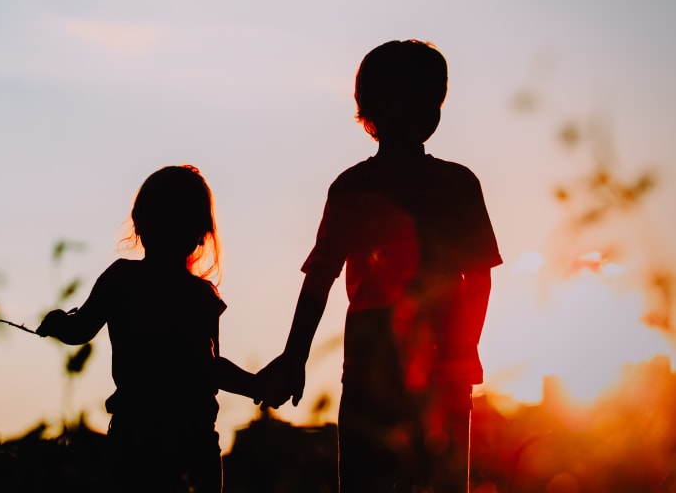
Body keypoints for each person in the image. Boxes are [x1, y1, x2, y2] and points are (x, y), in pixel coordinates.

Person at [257, 40, 502, 493]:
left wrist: (295, 356)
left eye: (430, 99)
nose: (422, 110)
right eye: (415, 99)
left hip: (387, 370)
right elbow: (479, 277)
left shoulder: (357, 186)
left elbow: (320, 278)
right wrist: (464, 346)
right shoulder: (451, 184)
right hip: (413, 370)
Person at [37, 164, 257, 493]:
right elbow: (211, 369)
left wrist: (58, 323)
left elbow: (80, 329)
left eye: (178, 219)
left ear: (139, 222)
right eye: (165, 218)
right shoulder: (196, 294)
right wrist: (257, 385)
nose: (169, 229)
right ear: (202, 233)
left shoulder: (123, 280)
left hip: (140, 438)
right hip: (188, 440)